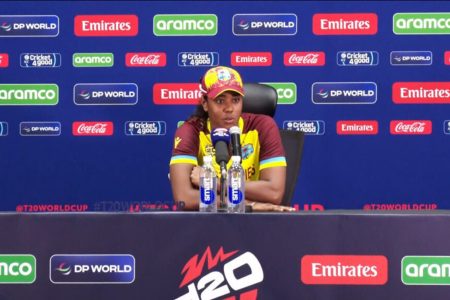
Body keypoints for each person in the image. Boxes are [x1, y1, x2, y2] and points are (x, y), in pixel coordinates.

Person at [169, 66, 293, 212]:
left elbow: (274, 193)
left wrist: (215, 183)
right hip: (208, 223)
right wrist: (248, 204)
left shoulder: (262, 126)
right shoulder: (190, 131)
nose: (229, 108)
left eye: (235, 100)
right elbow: (184, 198)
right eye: (220, 101)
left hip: (256, 222)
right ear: (205, 103)